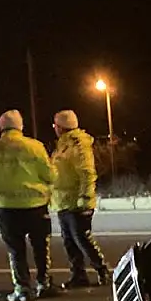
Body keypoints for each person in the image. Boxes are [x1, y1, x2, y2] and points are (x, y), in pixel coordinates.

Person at [0, 110, 58, 301]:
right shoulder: (35, 147)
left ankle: (22, 288)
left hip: (7, 208)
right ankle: (44, 284)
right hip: (36, 205)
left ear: (1, 127)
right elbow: (50, 175)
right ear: (21, 126)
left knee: (16, 250)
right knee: (40, 247)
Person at [51, 109, 110, 288]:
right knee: (69, 241)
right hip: (64, 201)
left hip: (77, 202)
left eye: (56, 125)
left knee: (82, 238)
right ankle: (78, 275)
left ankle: (102, 270)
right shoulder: (63, 145)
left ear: (61, 127)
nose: (54, 128)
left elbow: (86, 172)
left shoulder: (78, 144)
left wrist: (85, 198)